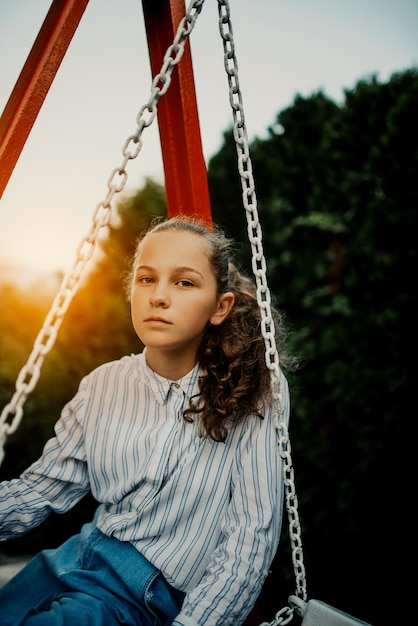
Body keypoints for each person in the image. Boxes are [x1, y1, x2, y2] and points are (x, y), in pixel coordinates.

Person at [0, 215, 292, 626]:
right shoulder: (103, 385)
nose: (159, 297)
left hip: (146, 594)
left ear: (219, 307)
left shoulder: (253, 387)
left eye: (184, 282)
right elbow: (41, 489)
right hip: (75, 558)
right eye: (146, 279)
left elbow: (249, 538)